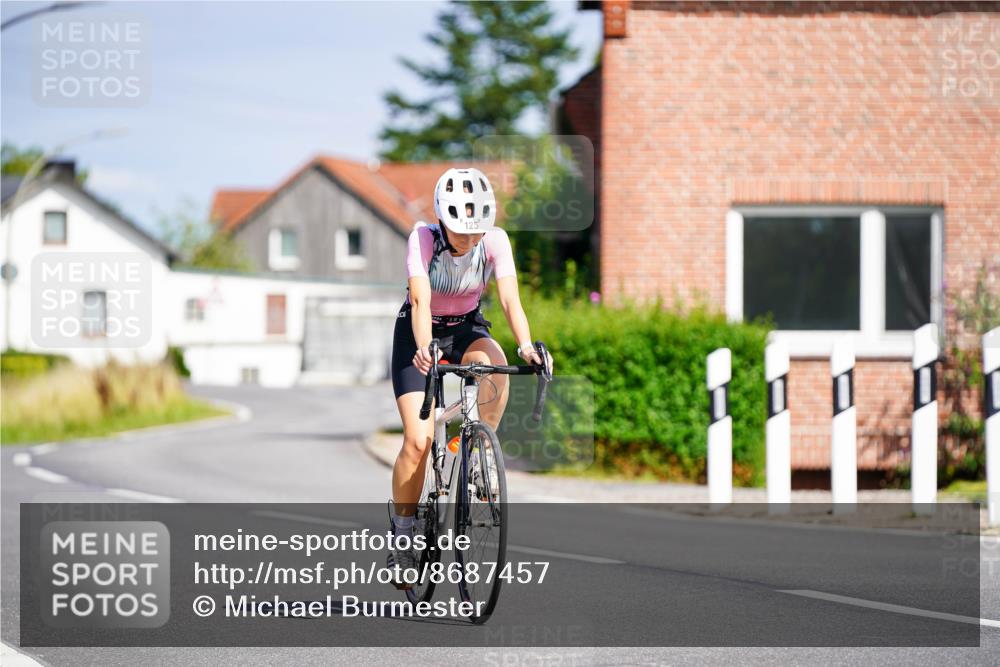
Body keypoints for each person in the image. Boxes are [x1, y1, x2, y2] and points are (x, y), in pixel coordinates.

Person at [386, 167, 551, 587]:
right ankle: (402, 537)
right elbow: (420, 301)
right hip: (418, 335)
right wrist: (424, 347)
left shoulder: (494, 240)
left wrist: (527, 345)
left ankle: (478, 456)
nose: (471, 240)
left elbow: (511, 300)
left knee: (495, 368)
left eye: (477, 231)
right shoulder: (423, 239)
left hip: (465, 327)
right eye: (462, 233)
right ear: (443, 219)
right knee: (419, 440)